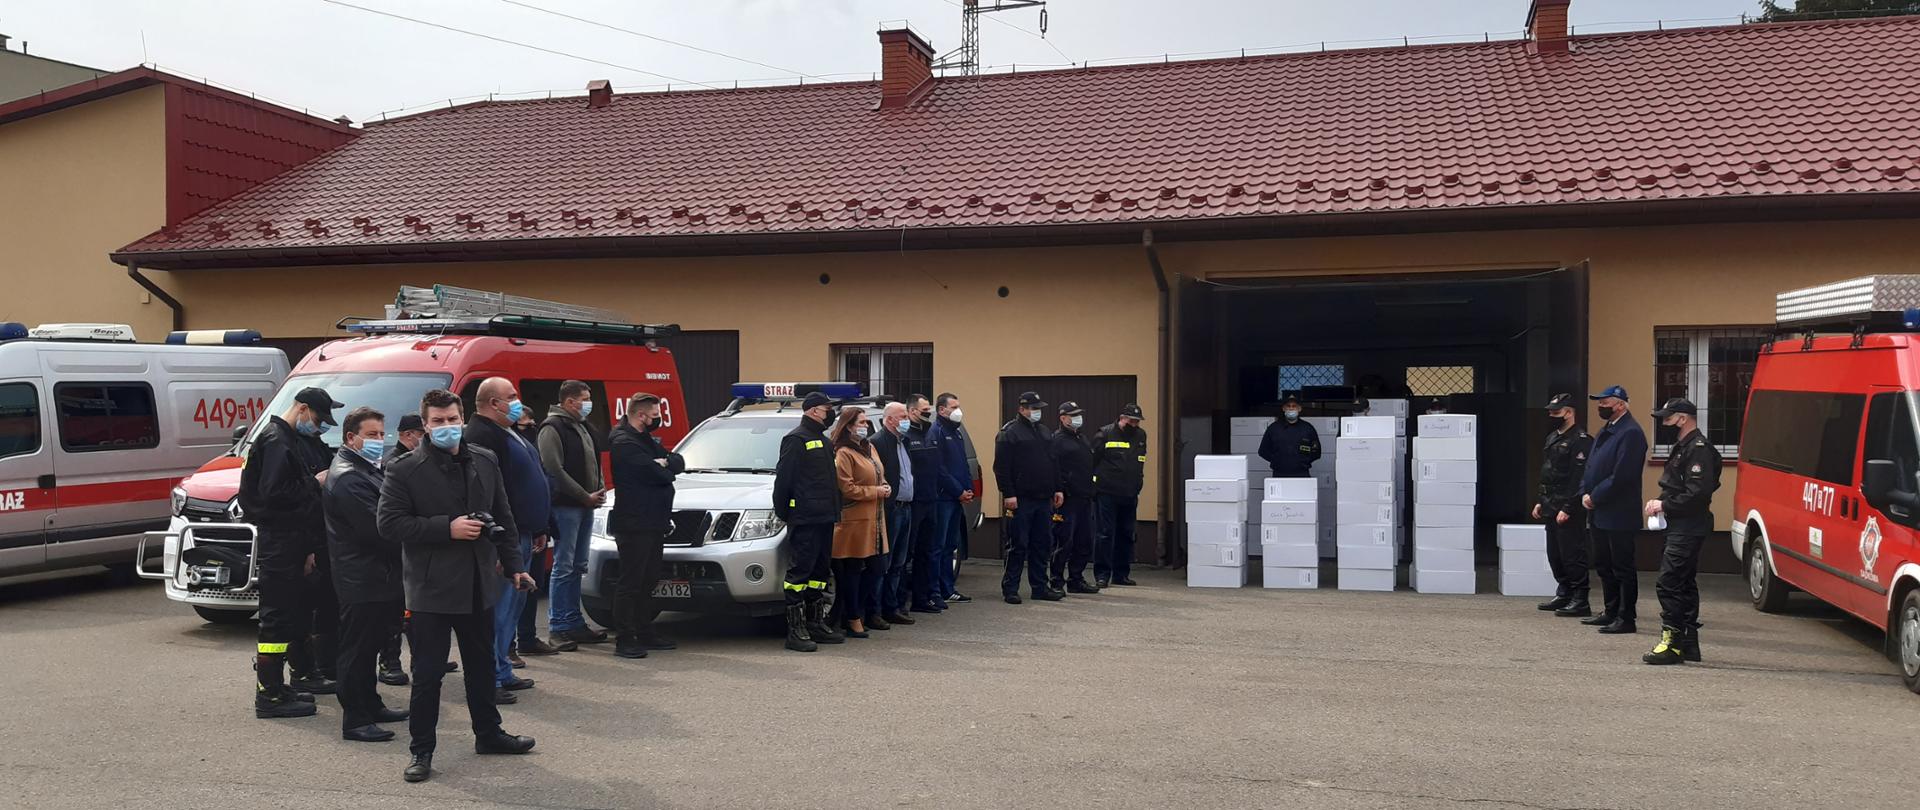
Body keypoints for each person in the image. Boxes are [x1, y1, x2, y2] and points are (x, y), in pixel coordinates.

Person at [378, 388, 536, 783]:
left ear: (462, 418)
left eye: (452, 420)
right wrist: (445, 528)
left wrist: (514, 565)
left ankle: (489, 733)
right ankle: (421, 751)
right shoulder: (404, 469)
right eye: (437, 421)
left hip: (479, 585)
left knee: (481, 667)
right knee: (428, 675)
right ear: (425, 425)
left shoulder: (484, 459)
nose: (446, 427)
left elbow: (504, 513)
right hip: (431, 590)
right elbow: (389, 524)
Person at [242, 386, 342, 719]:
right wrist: (315, 483)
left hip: (292, 540)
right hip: (280, 541)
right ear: (301, 408)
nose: (319, 424)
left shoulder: (286, 440)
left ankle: (280, 685)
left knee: (292, 614)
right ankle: (268, 695)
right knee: (275, 618)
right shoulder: (276, 441)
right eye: (317, 417)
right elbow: (274, 494)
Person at [324, 406, 410, 742]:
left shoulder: (364, 469)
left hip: (378, 576)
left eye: (380, 434)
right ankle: (356, 719)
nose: (379, 441)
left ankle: (371, 704)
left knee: (372, 645)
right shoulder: (348, 476)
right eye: (371, 435)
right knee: (357, 650)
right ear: (351, 437)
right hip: (361, 577)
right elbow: (378, 529)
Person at [464, 378, 549, 703]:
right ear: (492, 403)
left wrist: (541, 525)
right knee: (498, 611)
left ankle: (502, 669)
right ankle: (491, 677)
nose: (517, 402)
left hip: (525, 532)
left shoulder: (508, 429)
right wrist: (502, 547)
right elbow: (490, 496)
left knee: (512, 609)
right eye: (511, 397)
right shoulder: (482, 435)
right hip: (505, 540)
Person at [606, 392, 686, 659]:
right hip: (633, 522)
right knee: (631, 581)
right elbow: (657, 473)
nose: (658, 420)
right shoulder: (623, 441)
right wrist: (662, 466)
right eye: (655, 416)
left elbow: (677, 462)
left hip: (653, 521)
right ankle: (625, 638)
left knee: (649, 578)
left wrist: (664, 463)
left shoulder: (643, 439)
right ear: (641, 415)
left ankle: (645, 630)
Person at [1642, 398, 1722, 665]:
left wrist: (1663, 504)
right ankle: (1688, 643)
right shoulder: (1685, 446)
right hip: (1680, 524)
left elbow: (1698, 493)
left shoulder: (1698, 449)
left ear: (1683, 418)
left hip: (1688, 526)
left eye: (1668, 417)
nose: (1663, 422)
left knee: (1669, 582)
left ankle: (1672, 643)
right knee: (1684, 582)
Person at [772, 391, 846, 652]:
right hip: (805, 518)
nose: (831, 414)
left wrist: (836, 512)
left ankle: (816, 623)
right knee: (799, 574)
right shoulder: (796, 439)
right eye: (828, 409)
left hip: (825, 516)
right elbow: (784, 480)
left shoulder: (823, 441)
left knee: (819, 573)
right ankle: (796, 629)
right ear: (814, 410)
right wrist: (784, 512)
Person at [539, 380, 610, 646]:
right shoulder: (552, 428)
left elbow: (595, 461)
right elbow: (553, 469)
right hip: (566, 506)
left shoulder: (582, 426)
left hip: (586, 505)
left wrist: (600, 488)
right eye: (584, 398)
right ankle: (558, 626)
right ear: (569, 402)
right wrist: (583, 495)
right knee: (564, 565)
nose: (588, 403)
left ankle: (574, 622)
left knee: (578, 565)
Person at [1579, 385, 1649, 636]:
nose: (1600, 406)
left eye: (1605, 402)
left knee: (1622, 566)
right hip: (1598, 510)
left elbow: (1623, 476)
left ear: (1620, 404)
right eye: (1600, 402)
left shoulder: (1630, 433)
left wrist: (1595, 496)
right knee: (1603, 563)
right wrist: (1585, 493)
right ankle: (1610, 611)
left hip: (1618, 511)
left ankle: (1626, 617)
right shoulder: (1608, 430)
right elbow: (1591, 466)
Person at [829, 406, 891, 637]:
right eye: (861, 423)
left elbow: (878, 474)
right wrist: (876, 491)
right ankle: (852, 617)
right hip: (854, 520)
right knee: (853, 569)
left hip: (875, 519)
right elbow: (846, 488)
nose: (865, 427)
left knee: (877, 567)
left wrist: (885, 485)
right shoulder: (843, 452)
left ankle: (855, 611)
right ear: (848, 426)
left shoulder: (869, 447)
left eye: (866, 423)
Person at [995, 391, 1063, 605]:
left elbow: (1053, 463)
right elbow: (1002, 468)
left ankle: (1039, 587)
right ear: (1022, 409)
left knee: (1042, 544)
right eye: (1033, 408)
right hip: (1021, 499)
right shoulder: (1009, 433)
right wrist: (1009, 494)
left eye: (1039, 408)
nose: (1037, 412)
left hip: (1043, 498)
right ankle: (1011, 589)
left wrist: (1058, 489)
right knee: (1018, 544)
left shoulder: (1044, 431)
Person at [1534, 394, 1594, 617]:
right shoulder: (1553, 437)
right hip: (1550, 503)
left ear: (1569, 412)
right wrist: (1541, 501)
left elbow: (1578, 478)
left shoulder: (1581, 440)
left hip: (1568, 506)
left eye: (1556, 412)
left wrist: (1568, 508)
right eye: (1550, 411)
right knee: (1555, 553)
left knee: (1572, 553)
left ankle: (1580, 598)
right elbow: (1548, 473)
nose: (1551, 415)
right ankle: (1564, 592)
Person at [512, 409, 564, 663]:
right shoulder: (509, 449)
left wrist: (545, 526)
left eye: (533, 422)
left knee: (532, 588)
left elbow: (546, 480)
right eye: (525, 424)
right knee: (513, 592)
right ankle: (509, 647)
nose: (531, 427)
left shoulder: (530, 448)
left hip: (538, 526)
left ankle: (528, 638)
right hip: (519, 529)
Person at [380, 412, 426, 686]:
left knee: (417, 609)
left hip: (416, 546)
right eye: (422, 434)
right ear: (409, 435)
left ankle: (425, 655)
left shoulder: (416, 461)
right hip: (398, 548)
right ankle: (389, 662)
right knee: (397, 609)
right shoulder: (395, 464)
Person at [870, 401, 918, 628]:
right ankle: (876, 610)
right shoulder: (878, 442)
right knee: (884, 563)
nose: (906, 420)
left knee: (900, 562)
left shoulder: (904, 441)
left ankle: (893, 607)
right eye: (902, 416)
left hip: (906, 507)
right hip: (890, 509)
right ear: (889, 420)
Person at [1091, 404, 1148, 588]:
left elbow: (1140, 462)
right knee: (1105, 534)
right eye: (1132, 421)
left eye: (1137, 421)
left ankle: (1121, 574)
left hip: (1129, 494)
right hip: (1106, 493)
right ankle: (1102, 575)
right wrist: (1094, 487)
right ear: (1122, 418)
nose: (1135, 424)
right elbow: (1092, 461)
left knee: (1126, 534)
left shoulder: (1140, 436)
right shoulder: (1104, 434)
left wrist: (1138, 485)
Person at [928, 393, 976, 607]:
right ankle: (935, 591)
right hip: (943, 498)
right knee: (937, 546)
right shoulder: (936, 431)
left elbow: (963, 464)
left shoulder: (955, 433)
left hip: (957, 499)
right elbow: (939, 469)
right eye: (953, 406)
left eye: (958, 405)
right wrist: (958, 491)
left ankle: (948, 589)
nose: (958, 410)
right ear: (941, 410)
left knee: (951, 546)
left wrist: (968, 489)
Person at [1049, 402, 1099, 594]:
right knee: (1064, 541)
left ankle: (1076, 579)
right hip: (1067, 500)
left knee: (1084, 541)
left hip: (1085, 498)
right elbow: (1054, 469)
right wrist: (1059, 489)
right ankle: (1056, 581)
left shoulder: (1082, 439)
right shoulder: (1057, 440)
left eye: (1079, 414)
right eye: (1073, 415)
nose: (1078, 418)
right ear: (1063, 418)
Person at [906, 395, 947, 616]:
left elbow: (938, 467)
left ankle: (921, 599)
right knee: (906, 555)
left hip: (932, 501)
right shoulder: (906, 436)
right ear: (912, 411)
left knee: (926, 552)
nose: (928, 413)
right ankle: (898, 601)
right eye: (924, 410)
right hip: (913, 503)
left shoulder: (930, 434)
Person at [1258, 395, 1321, 479]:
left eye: (1294, 406)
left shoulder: (1308, 428)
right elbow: (1263, 451)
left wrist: (1303, 462)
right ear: (1283, 409)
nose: (1291, 408)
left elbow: (1316, 452)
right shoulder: (1273, 428)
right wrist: (1278, 461)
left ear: (1299, 409)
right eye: (1288, 406)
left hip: (1302, 474)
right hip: (1279, 474)